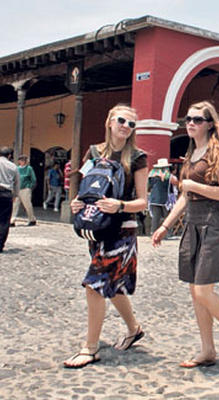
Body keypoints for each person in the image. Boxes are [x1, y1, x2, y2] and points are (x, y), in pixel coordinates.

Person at [151, 101, 219, 368]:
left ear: (209, 124)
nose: (190, 123)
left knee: (204, 291)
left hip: (214, 223)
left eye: (196, 119)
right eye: (187, 119)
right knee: (196, 292)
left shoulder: (218, 154)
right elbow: (185, 196)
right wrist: (165, 226)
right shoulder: (190, 154)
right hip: (193, 223)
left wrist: (194, 185)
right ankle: (207, 350)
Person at [63, 104, 148, 368]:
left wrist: (120, 205)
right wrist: (77, 202)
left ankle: (90, 348)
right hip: (97, 227)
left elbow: (143, 201)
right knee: (110, 286)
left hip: (122, 231)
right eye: (122, 120)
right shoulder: (93, 152)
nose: (126, 126)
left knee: (95, 284)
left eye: (131, 124)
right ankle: (134, 328)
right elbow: (87, 187)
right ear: (110, 121)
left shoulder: (138, 157)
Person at [147, 158, 178, 233]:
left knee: (156, 217)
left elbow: (148, 187)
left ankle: (153, 232)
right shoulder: (168, 175)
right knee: (167, 216)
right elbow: (176, 182)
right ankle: (168, 233)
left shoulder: (151, 175)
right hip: (164, 199)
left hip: (153, 199)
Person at [10, 155, 37, 227]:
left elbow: (33, 179)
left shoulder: (29, 169)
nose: (22, 162)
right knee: (14, 205)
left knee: (27, 204)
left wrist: (29, 186)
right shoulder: (17, 168)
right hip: (17, 188)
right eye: (21, 160)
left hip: (25, 188)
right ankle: (12, 220)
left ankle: (32, 219)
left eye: (23, 160)